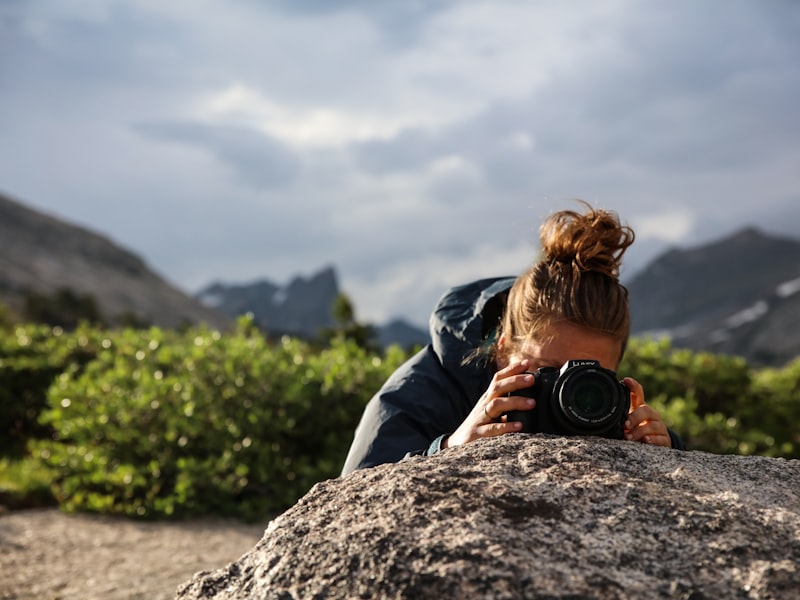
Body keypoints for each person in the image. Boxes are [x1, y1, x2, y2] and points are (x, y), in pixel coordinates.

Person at [341, 202, 684, 475]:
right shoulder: (416, 395)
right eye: (550, 370)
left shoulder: (607, 407)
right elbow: (352, 496)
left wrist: (663, 448)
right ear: (503, 349)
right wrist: (447, 449)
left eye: (589, 375)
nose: (571, 391)